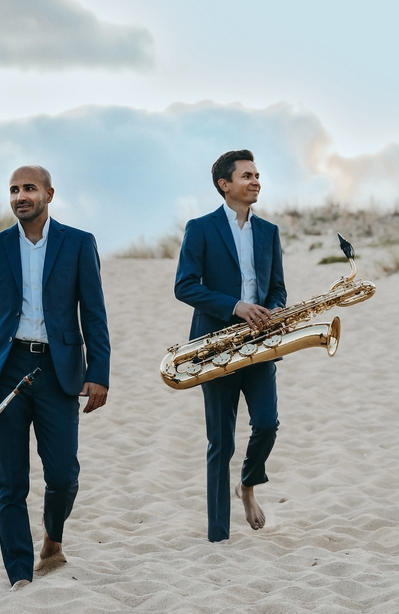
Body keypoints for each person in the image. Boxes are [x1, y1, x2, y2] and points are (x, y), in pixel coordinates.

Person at [0, 165, 110, 589]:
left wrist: (99, 373)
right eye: (13, 190)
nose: (20, 196)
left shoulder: (79, 243)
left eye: (29, 188)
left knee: (63, 475)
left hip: (59, 371)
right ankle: (19, 574)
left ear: (49, 194)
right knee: (10, 482)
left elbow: (93, 314)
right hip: (5, 370)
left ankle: (53, 539)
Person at [175, 149, 287, 542]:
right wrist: (235, 307)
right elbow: (184, 285)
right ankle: (218, 535)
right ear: (225, 185)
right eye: (246, 176)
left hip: (259, 346)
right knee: (220, 441)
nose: (255, 181)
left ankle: (248, 485)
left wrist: (272, 312)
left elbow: (277, 289)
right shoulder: (200, 228)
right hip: (215, 347)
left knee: (268, 425)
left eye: (257, 175)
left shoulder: (269, 232)